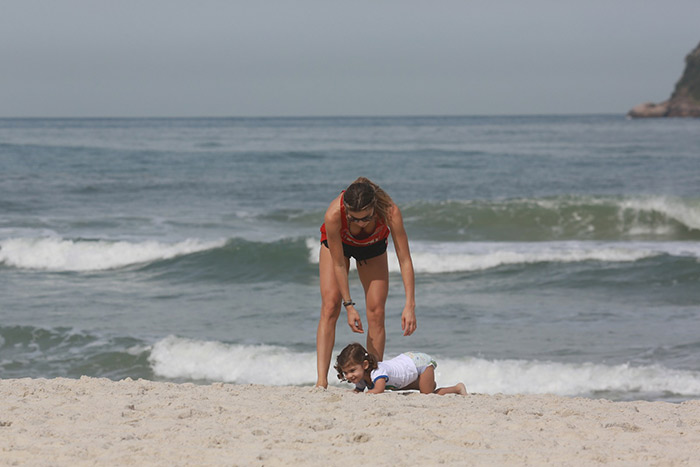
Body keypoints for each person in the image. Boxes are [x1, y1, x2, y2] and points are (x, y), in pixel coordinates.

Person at [316, 177, 417, 388]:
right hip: (339, 249)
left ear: (374, 207)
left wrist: (410, 304)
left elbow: (404, 259)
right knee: (330, 306)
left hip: (372, 246)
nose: (361, 223)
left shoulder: (389, 211)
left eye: (366, 218)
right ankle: (321, 382)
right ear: (346, 210)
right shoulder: (334, 214)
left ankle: (373, 380)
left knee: (376, 311)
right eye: (355, 219)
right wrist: (349, 305)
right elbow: (339, 265)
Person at [334, 343, 467, 395]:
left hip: (419, 363)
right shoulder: (361, 376)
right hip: (405, 363)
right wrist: (355, 392)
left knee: (428, 395)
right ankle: (425, 383)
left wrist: (368, 393)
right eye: (346, 372)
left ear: (365, 365)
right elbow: (358, 389)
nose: (349, 375)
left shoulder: (377, 373)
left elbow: (379, 389)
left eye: (352, 370)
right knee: (398, 386)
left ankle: (457, 388)